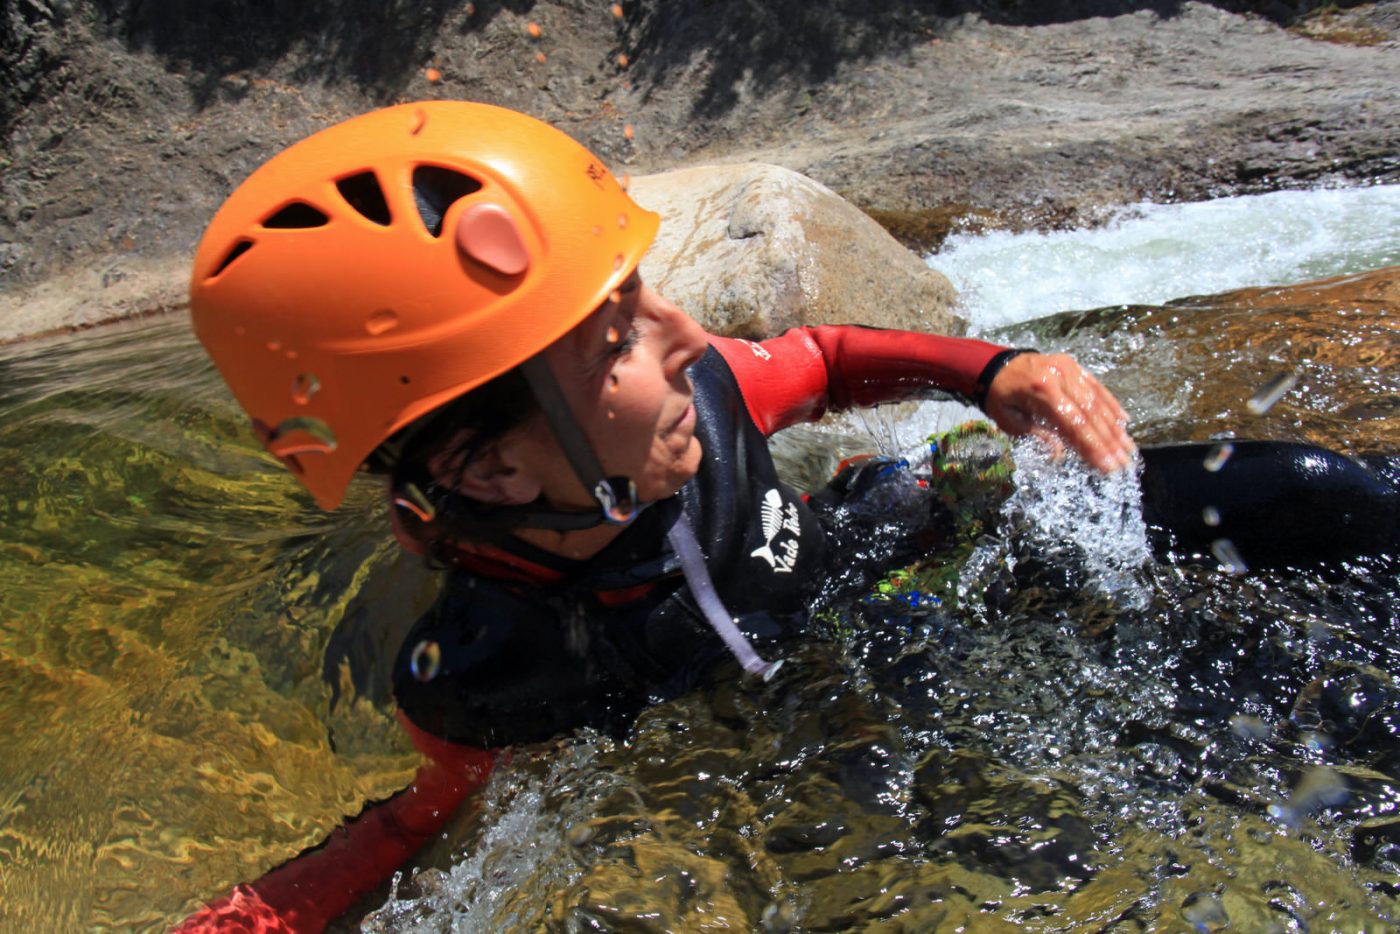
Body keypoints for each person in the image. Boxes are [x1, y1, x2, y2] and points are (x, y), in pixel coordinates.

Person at [175, 101, 1397, 931]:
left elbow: (814, 357)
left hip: (893, 544)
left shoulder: (697, 393)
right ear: (486, 472)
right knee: (1067, 814)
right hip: (826, 708)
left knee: (1306, 494)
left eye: (642, 296)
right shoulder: (487, 670)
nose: (690, 337)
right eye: (618, 336)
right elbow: (425, 821)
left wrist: (988, 373)